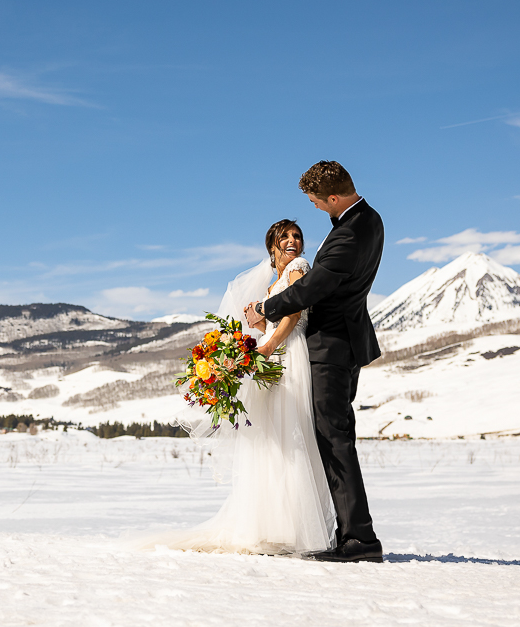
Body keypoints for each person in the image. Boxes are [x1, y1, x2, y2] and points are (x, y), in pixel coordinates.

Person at [146, 219, 335, 555]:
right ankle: (272, 524)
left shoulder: (299, 267)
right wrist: (258, 326)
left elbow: (293, 313)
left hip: (289, 355)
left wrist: (267, 344)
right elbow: (277, 317)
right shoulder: (273, 283)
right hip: (274, 356)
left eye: (297, 236)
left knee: (291, 435)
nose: (293, 241)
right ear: (272, 246)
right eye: (285, 237)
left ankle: (295, 528)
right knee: (270, 440)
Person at [243, 160, 384, 563]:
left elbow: (315, 287)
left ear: (334, 197)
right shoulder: (367, 221)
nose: (316, 208)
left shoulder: (350, 234)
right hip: (340, 345)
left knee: (335, 440)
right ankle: (348, 533)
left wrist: (267, 309)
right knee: (333, 439)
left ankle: (359, 538)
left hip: (331, 348)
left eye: (316, 202)